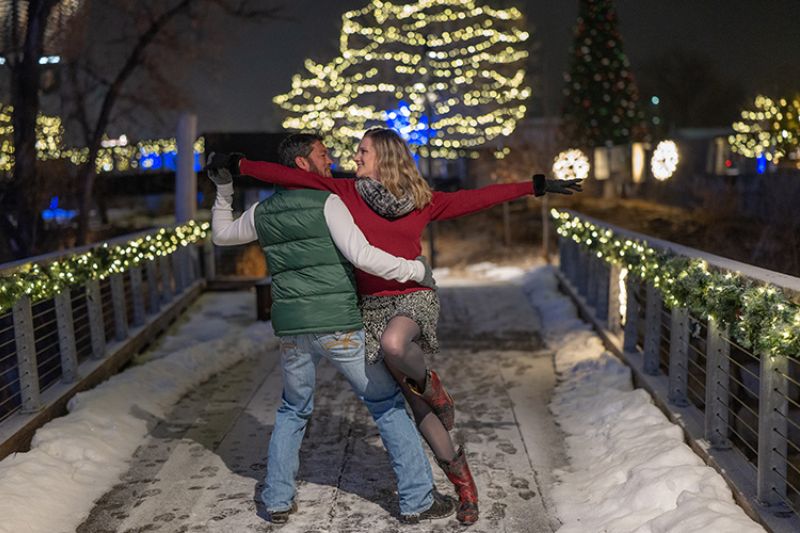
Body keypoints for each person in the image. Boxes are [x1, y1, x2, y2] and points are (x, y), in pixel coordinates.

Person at [207, 128, 582, 524]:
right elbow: (296, 181)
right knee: (400, 405)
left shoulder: (418, 200)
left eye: (362, 151)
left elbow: (472, 200)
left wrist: (532, 186)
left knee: (352, 374)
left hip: (390, 304)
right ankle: (445, 489)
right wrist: (240, 165)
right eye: (343, 152)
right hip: (365, 309)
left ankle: (429, 393)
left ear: (384, 157)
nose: (349, 157)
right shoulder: (343, 195)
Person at [207, 132, 456, 524]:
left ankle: (276, 499)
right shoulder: (329, 202)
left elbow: (222, 235)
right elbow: (364, 256)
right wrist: (414, 270)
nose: (331, 162)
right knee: (386, 405)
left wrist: (224, 190)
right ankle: (418, 499)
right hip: (338, 324)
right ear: (302, 164)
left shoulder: (262, 211)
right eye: (323, 156)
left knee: (293, 409)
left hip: (292, 329)